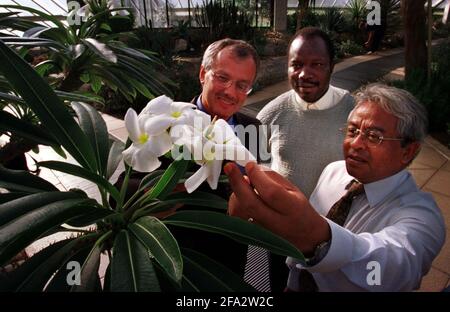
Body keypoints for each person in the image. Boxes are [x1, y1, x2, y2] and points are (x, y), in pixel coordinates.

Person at [225, 83, 446, 292]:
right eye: (352, 131)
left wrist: (318, 239)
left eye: (373, 136)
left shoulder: (424, 218)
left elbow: (387, 272)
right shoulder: (334, 171)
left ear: (408, 151)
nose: (356, 144)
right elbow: (297, 246)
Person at [115, 38, 262, 279]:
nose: (230, 92)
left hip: (232, 256)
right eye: (222, 78)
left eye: (242, 85)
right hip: (177, 261)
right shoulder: (166, 121)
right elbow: (120, 192)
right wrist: (165, 192)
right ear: (203, 74)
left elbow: (256, 181)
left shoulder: (254, 128)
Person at [254, 27, 354, 291]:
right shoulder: (271, 113)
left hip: (334, 236)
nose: (304, 74)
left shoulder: (354, 113)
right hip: (279, 234)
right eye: (296, 65)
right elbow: (252, 165)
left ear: (332, 66)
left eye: (317, 64)